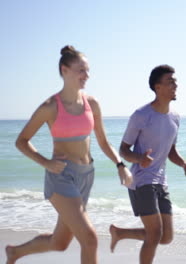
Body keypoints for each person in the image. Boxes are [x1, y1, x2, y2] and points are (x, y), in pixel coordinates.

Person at [5, 45, 133, 264]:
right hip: (61, 177)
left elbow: (103, 141)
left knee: (60, 242)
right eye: (81, 70)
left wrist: (120, 165)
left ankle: (15, 253)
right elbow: (22, 141)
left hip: (86, 176)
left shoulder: (92, 104)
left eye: (88, 70)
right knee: (90, 239)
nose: (87, 75)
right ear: (65, 70)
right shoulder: (50, 107)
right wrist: (45, 162)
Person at [109, 64, 186, 264]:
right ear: (157, 87)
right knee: (154, 234)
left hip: (160, 181)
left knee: (166, 236)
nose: (175, 85)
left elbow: (170, 150)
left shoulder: (175, 118)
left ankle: (120, 233)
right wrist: (140, 159)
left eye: (175, 81)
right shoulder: (141, 115)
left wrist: (183, 163)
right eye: (170, 81)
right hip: (141, 180)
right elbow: (123, 150)